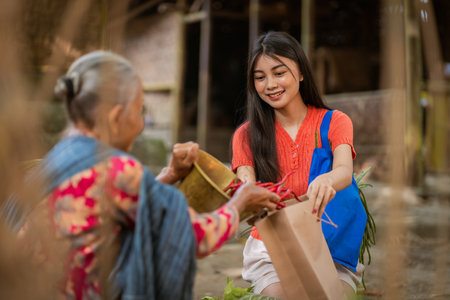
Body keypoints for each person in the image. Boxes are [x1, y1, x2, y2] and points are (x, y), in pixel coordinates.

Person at [19, 51, 280, 300]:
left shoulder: (58, 158)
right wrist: (239, 203)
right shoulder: (118, 171)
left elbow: (119, 204)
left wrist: (169, 175)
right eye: (139, 111)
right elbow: (192, 237)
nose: (141, 123)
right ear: (116, 117)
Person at [231, 31, 366, 299]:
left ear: (301, 73)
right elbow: (246, 187)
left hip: (331, 247)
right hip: (271, 248)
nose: (270, 84)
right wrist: (245, 199)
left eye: (279, 73)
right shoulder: (245, 135)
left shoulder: (335, 121)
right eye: (260, 77)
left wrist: (327, 180)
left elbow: (343, 170)